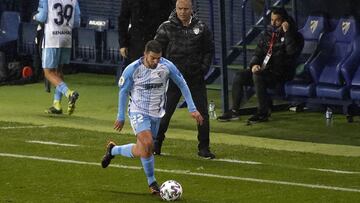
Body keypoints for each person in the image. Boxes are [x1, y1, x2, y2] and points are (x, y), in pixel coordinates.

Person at [101, 40, 204, 195]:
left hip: (157, 114)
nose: (156, 61)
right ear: (145, 54)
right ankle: (152, 182)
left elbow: (182, 84)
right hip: (138, 112)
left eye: (158, 58)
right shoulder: (132, 69)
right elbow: (123, 91)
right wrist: (120, 116)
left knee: (143, 150)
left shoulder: (167, 66)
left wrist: (192, 108)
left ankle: (113, 150)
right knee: (149, 144)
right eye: (152, 58)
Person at [217, 7, 304, 123]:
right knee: (240, 75)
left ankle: (263, 113)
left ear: (284, 21)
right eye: (271, 20)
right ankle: (234, 111)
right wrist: (254, 65)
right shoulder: (267, 34)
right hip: (265, 70)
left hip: (281, 73)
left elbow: (292, 52)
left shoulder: (296, 36)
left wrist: (287, 32)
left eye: (277, 20)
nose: (273, 23)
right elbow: (258, 53)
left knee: (258, 76)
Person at [154, 0, 215, 159]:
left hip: (195, 77)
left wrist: (203, 69)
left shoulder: (201, 27)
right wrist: (164, 71)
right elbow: (156, 50)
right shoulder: (166, 27)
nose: (182, 12)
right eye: (180, 8)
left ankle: (204, 147)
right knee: (164, 113)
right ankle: (156, 144)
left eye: (185, 9)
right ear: (175, 8)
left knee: (202, 113)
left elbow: (209, 50)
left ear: (191, 9)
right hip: (173, 78)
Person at [34, 0, 80, 115]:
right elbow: (77, 22)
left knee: (48, 72)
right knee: (59, 70)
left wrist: (35, 16)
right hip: (66, 37)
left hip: (52, 38)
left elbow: (42, 17)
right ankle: (57, 104)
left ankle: (69, 93)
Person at [117, 0, 175, 81]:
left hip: (160, 41)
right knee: (136, 78)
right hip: (137, 42)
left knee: (161, 78)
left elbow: (173, 15)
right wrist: (123, 43)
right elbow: (123, 18)